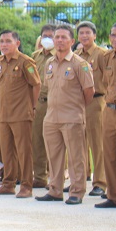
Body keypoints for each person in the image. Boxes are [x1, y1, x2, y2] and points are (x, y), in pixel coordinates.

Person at [36, 24, 94, 205]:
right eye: (57, 37)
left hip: (72, 117)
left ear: (72, 41)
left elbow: (89, 91)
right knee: (53, 156)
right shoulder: (49, 63)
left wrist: (76, 108)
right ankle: (55, 190)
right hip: (52, 117)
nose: (59, 40)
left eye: (63, 37)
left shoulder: (80, 64)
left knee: (76, 156)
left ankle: (77, 191)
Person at [0, 31, 41, 199]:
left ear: (17, 43)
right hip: (4, 113)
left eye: (8, 41)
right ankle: (8, 184)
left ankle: (26, 185)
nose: (4, 44)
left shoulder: (25, 62)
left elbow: (36, 84)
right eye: (1, 41)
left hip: (21, 114)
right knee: (6, 150)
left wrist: (33, 106)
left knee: (24, 151)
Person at [75, 20, 107, 197]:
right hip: (79, 102)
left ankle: (100, 182)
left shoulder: (101, 54)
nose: (84, 36)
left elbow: (109, 78)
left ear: (94, 35)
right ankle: (80, 180)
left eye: (88, 33)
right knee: (79, 143)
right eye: (81, 33)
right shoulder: (77, 54)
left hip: (96, 101)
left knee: (97, 144)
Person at [96, 21, 116, 209]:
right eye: (113, 35)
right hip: (110, 110)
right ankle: (114, 196)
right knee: (111, 155)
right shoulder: (107, 58)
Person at [31, 23, 56, 188]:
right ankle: (40, 177)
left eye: (51, 36)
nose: (48, 39)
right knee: (37, 141)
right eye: (45, 36)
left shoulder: (61, 56)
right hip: (39, 103)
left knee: (55, 142)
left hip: (56, 103)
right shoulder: (35, 56)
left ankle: (56, 177)